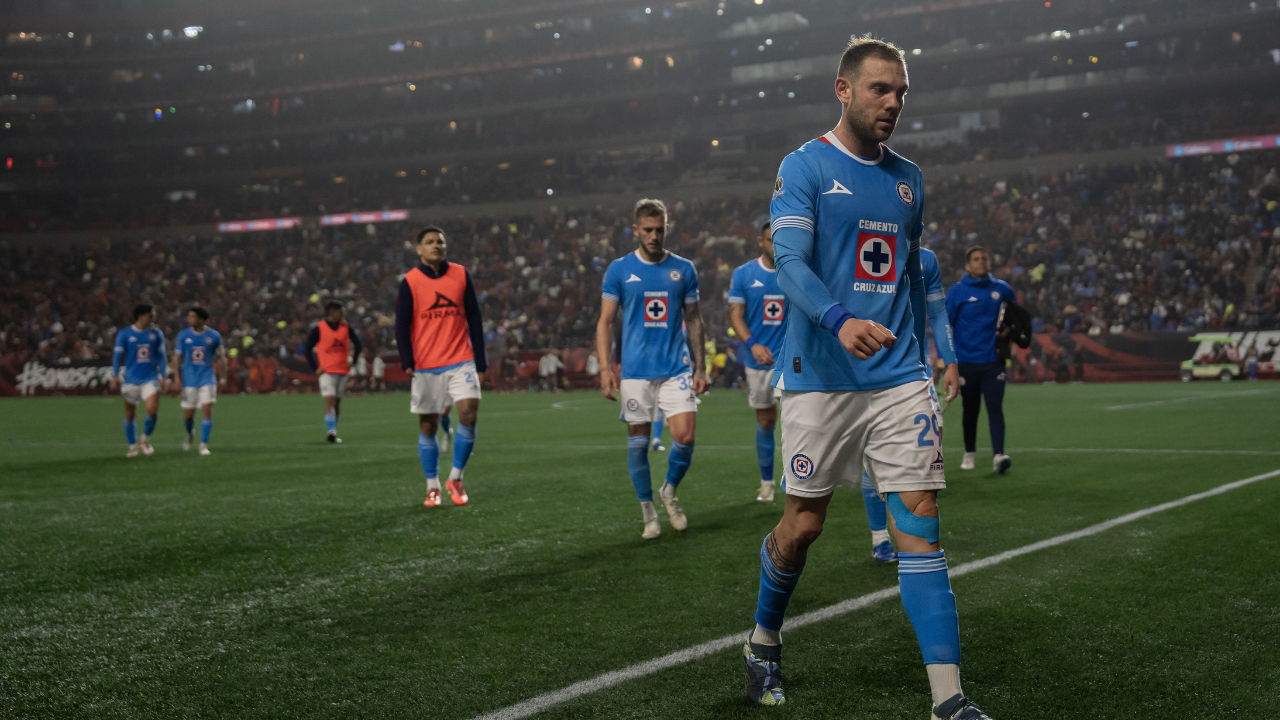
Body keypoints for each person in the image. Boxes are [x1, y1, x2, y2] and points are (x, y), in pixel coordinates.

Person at [742, 37, 987, 720]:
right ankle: (763, 641)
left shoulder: (909, 177)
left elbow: (909, 274)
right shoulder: (805, 166)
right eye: (881, 89)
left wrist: (931, 354)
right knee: (803, 527)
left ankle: (949, 700)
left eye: (902, 92)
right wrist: (837, 317)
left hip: (898, 375)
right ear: (843, 90)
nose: (894, 103)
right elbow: (788, 261)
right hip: (820, 375)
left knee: (921, 523)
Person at [596, 198, 709, 540]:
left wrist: (700, 367)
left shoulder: (684, 269)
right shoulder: (619, 270)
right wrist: (604, 368)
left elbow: (694, 320)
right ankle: (648, 512)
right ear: (636, 231)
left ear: (666, 228)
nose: (654, 235)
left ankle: (669, 491)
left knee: (685, 437)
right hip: (635, 372)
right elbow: (605, 322)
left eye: (660, 229)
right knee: (638, 445)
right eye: (648, 230)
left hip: (676, 367)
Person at [859, 246, 959, 562]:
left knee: (929, 452)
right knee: (871, 455)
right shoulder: (860, 243)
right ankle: (880, 537)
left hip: (914, 369)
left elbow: (938, 311)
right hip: (866, 367)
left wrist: (951, 360)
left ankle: (915, 537)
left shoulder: (926, 258)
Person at [396, 225, 487, 508]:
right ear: (419, 249)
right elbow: (401, 324)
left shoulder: (461, 274)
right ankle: (432, 485)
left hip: (461, 358)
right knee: (428, 425)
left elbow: (474, 318)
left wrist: (480, 360)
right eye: (429, 242)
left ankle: (456, 478)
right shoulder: (410, 282)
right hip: (426, 364)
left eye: (440, 241)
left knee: (469, 412)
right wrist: (407, 360)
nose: (436, 245)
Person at [728, 220, 787, 503]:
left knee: (795, 420)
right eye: (770, 240)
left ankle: (797, 479)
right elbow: (736, 315)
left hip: (790, 359)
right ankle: (767, 482)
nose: (776, 245)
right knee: (765, 420)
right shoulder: (744, 274)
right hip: (757, 361)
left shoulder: (796, 271)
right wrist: (752, 345)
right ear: (760, 242)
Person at [946, 246, 1017, 475]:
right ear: (967, 266)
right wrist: (946, 360)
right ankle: (969, 452)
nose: (981, 262)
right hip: (966, 360)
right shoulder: (956, 292)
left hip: (993, 360)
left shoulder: (1002, 289)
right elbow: (945, 326)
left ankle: (999, 455)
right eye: (976, 259)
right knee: (970, 409)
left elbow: (1016, 318)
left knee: (995, 407)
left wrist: (1009, 331)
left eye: (984, 259)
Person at [110, 304, 168, 458]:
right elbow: (117, 357)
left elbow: (162, 357)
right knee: (130, 414)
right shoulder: (125, 334)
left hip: (150, 378)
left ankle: (145, 439)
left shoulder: (156, 334)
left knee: (152, 410)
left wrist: (164, 375)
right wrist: (115, 375)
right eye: (151, 315)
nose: (153, 318)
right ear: (141, 316)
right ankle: (132, 446)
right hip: (131, 380)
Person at [306, 301, 363, 444]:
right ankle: (331, 431)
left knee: (337, 403)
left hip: (342, 371)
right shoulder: (319, 328)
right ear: (332, 313)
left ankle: (333, 429)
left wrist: (353, 360)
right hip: (326, 371)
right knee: (329, 399)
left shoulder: (346, 327)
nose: (343, 314)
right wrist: (315, 368)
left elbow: (358, 344)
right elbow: (307, 349)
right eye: (340, 311)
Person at [170, 307, 224, 455]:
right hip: (189, 380)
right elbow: (176, 358)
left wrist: (223, 378)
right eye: (189, 316)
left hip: (207, 378)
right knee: (188, 415)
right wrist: (175, 377)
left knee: (207, 410)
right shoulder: (183, 336)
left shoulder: (214, 336)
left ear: (201, 319)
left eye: (192, 317)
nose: (189, 319)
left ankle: (203, 445)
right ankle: (189, 434)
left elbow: (220, 358)